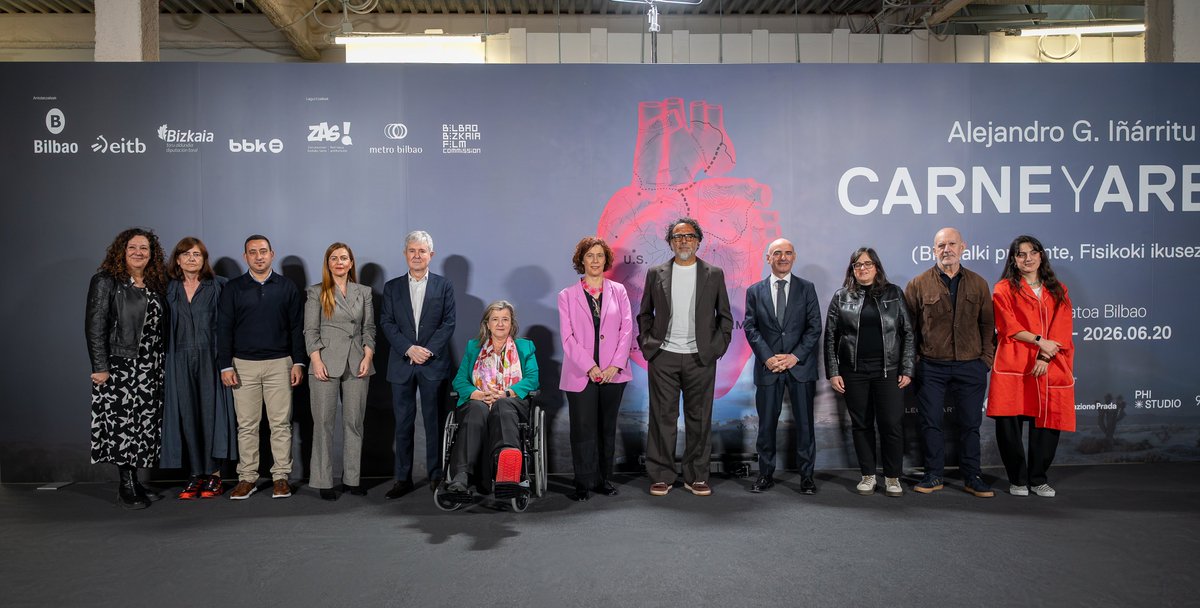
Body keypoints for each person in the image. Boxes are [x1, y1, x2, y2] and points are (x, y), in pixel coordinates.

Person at [637, 218, 733, 497]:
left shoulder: (714, 274)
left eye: (689, 236)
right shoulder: (656, 273)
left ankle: (697, 476)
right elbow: (645, 313)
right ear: (670, 242)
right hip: (663, 357)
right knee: (662, 418)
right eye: (678, 237)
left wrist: (716, 348)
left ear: (698, 241)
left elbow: (725, 317)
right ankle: (661, 475)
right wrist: (648, 345)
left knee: (699, 418)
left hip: (700, 358)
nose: (684, 241)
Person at [904, 227, 996, 498]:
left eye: (952, 244)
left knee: (970, 424)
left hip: (971, 366)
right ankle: (933, 475)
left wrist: (985, 360)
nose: (947, 249)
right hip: (930, 367)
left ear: (963, 247)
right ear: (934, 250)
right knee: (931, 423)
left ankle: (972, 476)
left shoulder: (979, 283)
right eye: (941, 245)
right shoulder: (918, 284)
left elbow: (988, 323)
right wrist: (917, 362)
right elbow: (909, 328)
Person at [85, 227, 169, 509]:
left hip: (150, 366)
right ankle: (126, 485)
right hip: (120, 365)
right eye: (132, 247)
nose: (138, 253)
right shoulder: (106, 281)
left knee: (143, 425)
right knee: (123, 425)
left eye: (144, 248)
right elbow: (95, 326)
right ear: (122, 251)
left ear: (151, 254)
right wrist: (100, 365)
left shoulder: (155, 283)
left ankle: (134, 480)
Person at [218, 234, 305, 500]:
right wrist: (225, 366)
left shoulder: (286, 287)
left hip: (280, 363)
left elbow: (296, 328)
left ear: (272, 254)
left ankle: (280, 477)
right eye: (253, 252)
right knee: (247, 426)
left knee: (280, 425)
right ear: (245, 257)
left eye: (263, 251)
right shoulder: (233, 288)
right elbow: (223, 329)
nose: (258, 256)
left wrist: (298, 362)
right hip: (243, 365)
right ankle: (247, 478)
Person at [987, 235, 1075, 498]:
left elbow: (1062, 328)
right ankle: (1017, 479)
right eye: (1021, 254)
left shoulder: (1058, 289)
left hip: (1049, 364)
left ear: (1041, 256)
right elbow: (1008, 326)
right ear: (1013, 260)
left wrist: (1045, 355)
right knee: (1009, 424)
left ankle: (1038, 479)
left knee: (1047, 422)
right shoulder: (1003, 289)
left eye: (1033, 252)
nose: (1028, 258)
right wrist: (1039, 341)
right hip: (1013, 362)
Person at [824, 247, 915, 498]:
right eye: (857, 265)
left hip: (888, 370)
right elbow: (830, 336)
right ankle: (868, 475)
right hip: (853, 371)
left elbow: (908, 332)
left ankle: (893, 477)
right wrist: (833, 371)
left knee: (891, 424)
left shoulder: (893, 293)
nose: (862, 269)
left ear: (876, 267)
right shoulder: (841, 296)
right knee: (861, 424)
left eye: (867, 264)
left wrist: (907, 368)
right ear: (852, 270)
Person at [380, 230, 456, 499]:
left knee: (434, 422)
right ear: (405, 254)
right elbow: (387, 323)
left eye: (422, 251)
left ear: (431, 255)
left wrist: (427, 351)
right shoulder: (391, 288)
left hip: (432, 364)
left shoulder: (443, 286)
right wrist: (408, 349)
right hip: (402, 363)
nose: (416, 255)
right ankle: (403, 478)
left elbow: (448, 323)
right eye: (412, 250)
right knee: (403, 424)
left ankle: (436, 475)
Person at [160, 237, 238, 500]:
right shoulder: (167, 289)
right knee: (187, 415)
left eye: (198, 254)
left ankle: (214, 475)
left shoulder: (219, 286)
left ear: (205, 260)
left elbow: (230, 325)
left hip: (211, 357)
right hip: (178, 357)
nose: (192, 258)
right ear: (178, 260)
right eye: (186, 254)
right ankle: (195, 475)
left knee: (211, 415)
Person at [558, 237, 634, 502]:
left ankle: (603, 479)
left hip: (615, 373)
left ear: (606, 260)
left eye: (599, 256)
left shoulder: (619, 291)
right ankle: (583, 481)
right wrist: (590, 367)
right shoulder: (566, 296)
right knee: (582, 429)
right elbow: (567, 338)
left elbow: (627, 329)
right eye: (589, 256)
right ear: (581, 260)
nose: (594, 261)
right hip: (581, 374)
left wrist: (615, 364)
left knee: (606, 429)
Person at [743, 238, 821, 494]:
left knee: (805, 425)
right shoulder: (755, 291)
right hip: (769, 367)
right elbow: (751, 327)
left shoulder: (807, 288)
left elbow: (814, 328)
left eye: (788, 253)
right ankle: (765, 475)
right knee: (766, 425)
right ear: (768, 258)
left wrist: (794, 357)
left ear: (794, 257)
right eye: (777, 253)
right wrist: (767, 357)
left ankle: (807, 477)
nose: (783, 257)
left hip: (800, 368)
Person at [304, 242, 376, 501]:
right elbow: (310, 331)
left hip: (358, 362)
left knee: (354, 423)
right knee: (323, 423)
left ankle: (352, 479)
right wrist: (316, 360)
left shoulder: (364, 292)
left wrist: (368, 354)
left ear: (351, 262)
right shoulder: (316, 292)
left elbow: (369, 328)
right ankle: (324, 481)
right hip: (325, 362)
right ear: (328, 263)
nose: (339, 262)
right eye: (334, 258)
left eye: (344, 258)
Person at [445, 301, 539, 495]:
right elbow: (459, 380)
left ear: (512, 323)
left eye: (505, 319)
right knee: (477, 408)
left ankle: (507, 472)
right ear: (487, 324)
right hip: (479, 401)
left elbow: (532, 379)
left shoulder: (525, 347)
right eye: (495, 319)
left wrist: (506, 393)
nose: (500, 324)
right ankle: (462, 475)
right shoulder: (474, 347)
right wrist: (478, 394)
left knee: (502, 405)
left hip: (511, 402)